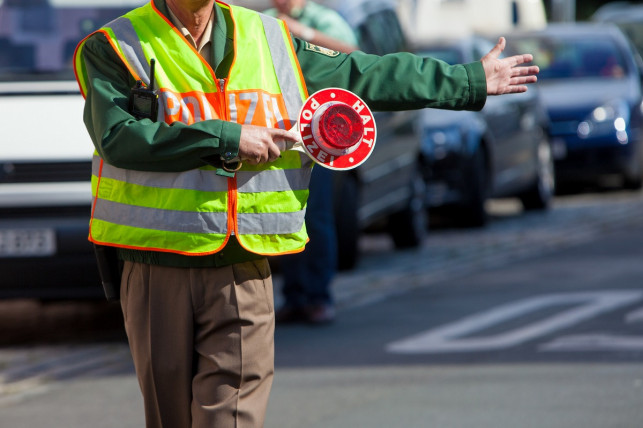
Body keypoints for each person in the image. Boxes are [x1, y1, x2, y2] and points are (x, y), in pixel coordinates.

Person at [73, 0, 538, 427]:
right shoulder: (114, 46)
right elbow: (120, 138)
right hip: (158, 265)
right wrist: (228, 138)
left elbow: (363, 74)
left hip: (243, 268)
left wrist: (468, 81)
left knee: (231, 419)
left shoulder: (267, 38)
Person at [263, 0, 359, 324]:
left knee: (316, 217)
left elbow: (352, 55)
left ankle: (318, 296)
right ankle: (295, 296)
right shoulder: (265, 19)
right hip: (281, 130)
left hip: (318, 132)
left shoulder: (322, 19)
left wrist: (302, 32)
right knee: (288, 214)